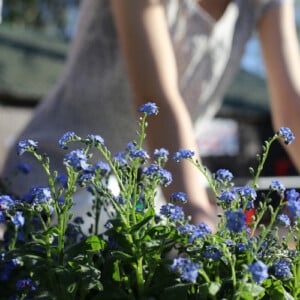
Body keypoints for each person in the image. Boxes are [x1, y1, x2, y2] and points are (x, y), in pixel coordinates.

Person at [1, 0, 300, 230]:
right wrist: (197, 216)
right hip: (60, 181)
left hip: (147, 194)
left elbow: (292, 107)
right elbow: (156, 97)